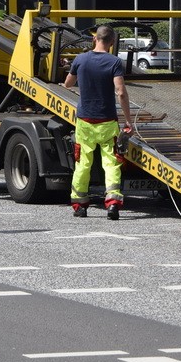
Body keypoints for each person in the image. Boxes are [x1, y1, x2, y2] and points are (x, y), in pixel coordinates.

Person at [63, 25, 134, 220]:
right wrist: (128, 121)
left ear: (95, 39)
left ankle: (79, 205)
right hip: (107, 121)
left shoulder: (81, 59)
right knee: (111, 163)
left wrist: (73, 69)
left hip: (85, 121)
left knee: (83, 164)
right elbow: (120, 92)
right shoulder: (114, 62)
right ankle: (112, 204)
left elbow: (68, 83)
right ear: (111, 43)